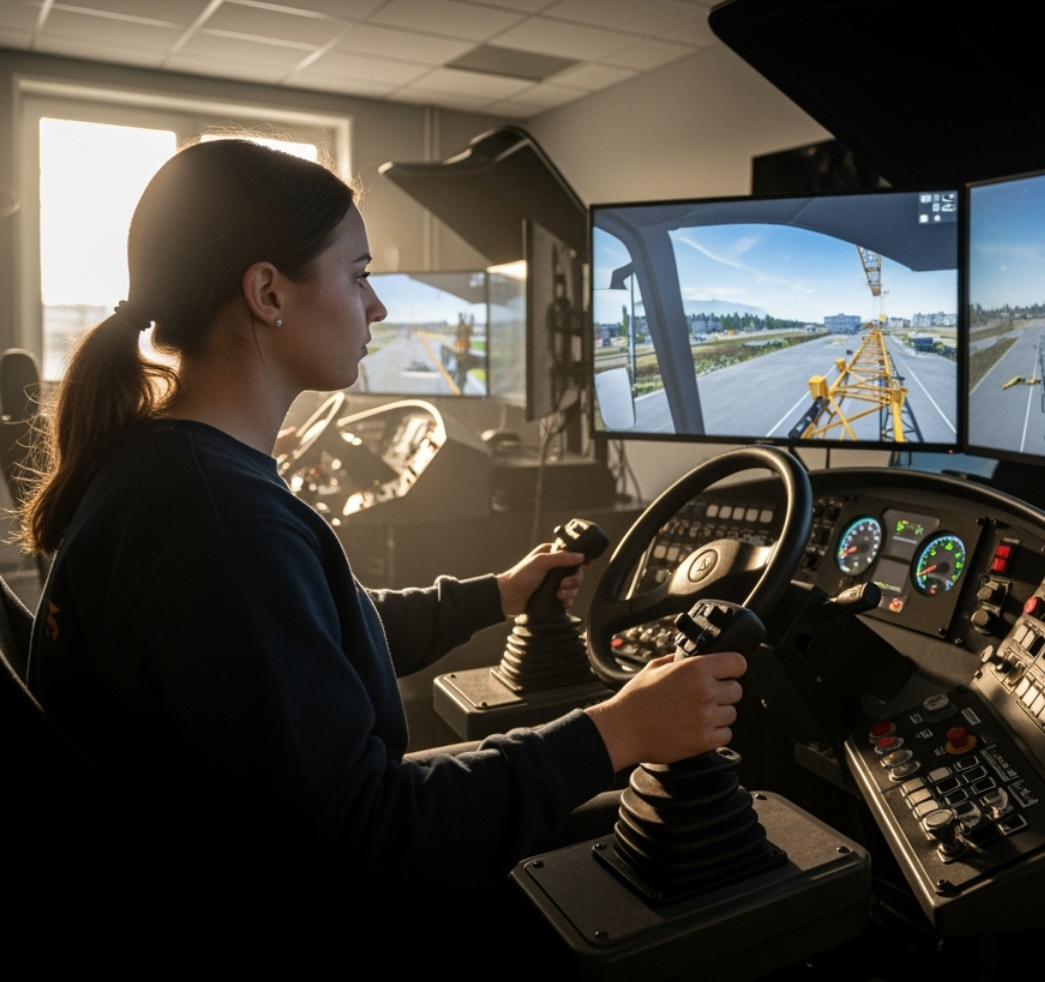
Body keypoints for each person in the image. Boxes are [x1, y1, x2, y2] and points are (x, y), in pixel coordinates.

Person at [20, 139, 746, 905]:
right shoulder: (225, 528)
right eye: (359, 275)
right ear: (267, 293)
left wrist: (496, 594)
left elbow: (310, 642)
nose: (378, 307)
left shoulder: (167, 469)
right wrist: (620, 730)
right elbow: (367, 838)